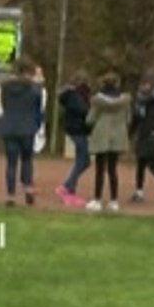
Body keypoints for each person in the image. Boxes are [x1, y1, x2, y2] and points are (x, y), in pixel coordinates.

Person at [0, 58, 44, 207]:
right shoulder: (35, 89)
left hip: (9, 126)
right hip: (27, 127)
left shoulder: (5, 87)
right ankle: (28, 188)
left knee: (11, 163)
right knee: (27, 159)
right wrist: (36, 125)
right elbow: (38, 110)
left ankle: (10, 195)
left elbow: (4, 104)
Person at [85, 72, 131, 212]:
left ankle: (97, 200)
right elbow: (128, 119)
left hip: (101, 135)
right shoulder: (125, 101)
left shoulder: (97, 101)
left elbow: (90, 119)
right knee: (113, 169)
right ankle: (114, 200)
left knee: (100, 169)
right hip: (117, 136)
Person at [55, 72, 92, 207]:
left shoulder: (73, 95)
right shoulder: (73, 96)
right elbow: (83, 110)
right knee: (83, 160)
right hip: (77, 130)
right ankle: (67, 188)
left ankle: (69, 187)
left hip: (78, 130)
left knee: (83, 160)